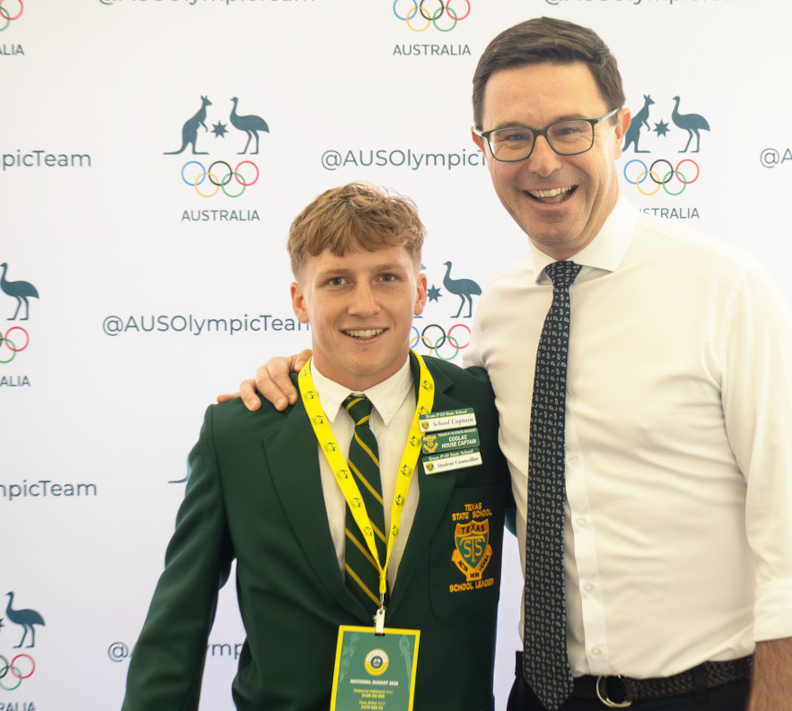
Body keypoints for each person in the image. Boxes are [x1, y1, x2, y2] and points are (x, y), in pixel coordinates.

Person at [235, 19, 792, 711]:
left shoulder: (727, 291)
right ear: (483, 148)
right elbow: (420, 423)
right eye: (514, 137)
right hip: (542, 696)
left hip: (705, 692)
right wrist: (303, 375)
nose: (543, 162)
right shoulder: (498, 312)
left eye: (570, 129)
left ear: (621, 128)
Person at [124, 182, 510, 711]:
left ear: (421, 291)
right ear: (299, 300)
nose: (364, 304)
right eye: (336, 281)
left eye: (387, 278)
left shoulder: (483, 408)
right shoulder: (237, 434)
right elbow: (179, 618)